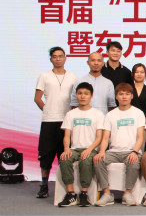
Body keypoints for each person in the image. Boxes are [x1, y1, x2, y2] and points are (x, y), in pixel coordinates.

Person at [34, 46, 77, 198]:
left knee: (64, 155)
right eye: (55, 56)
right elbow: (37, 98)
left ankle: (65, 187)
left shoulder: (73, 77)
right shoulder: (44, 76)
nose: (58, 59)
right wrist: (46, 110)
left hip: (66, 122)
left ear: (65, 58)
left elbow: (76, 99)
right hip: (49, 121)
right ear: (51, 59)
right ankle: (44, 185)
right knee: (46, 155)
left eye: (60, 56)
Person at [93, 83, 145, 206]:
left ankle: (127, 193)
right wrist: (101, 152)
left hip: (131, 151)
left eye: (127, 94)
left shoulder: (138, 113)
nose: (124, 97)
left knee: (133, 162)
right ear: (116, 96)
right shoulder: (110, 115)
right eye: (121, 94)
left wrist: (135, 152)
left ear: (132, 96)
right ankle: (107, 194)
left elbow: (140, 137)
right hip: (114, 152)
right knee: (97, 160)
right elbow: (105, 137)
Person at [57, 82, 104, 207]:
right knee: (64, 159)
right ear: (76, 95)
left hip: (91, 149)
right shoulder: (71, 114)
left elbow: (99, 137)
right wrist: (66, 149)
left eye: (86, 94)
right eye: (80, 93)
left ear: (91, 96)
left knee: (86, 160)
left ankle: (84, 194)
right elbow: (67, 135)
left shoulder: (98, 114)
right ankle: (71, 194)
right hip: (74, 149)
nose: (83, 96)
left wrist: (89, 149)